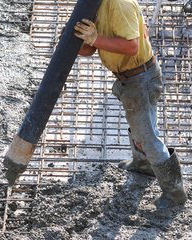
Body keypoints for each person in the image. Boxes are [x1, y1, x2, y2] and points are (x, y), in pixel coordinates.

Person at [74, 1, 186, 209]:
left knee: (147, 136)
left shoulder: (119, 4)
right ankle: (143, 165)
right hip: (130, 77)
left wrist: (96, 38)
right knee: (138, 125)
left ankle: (174, 193)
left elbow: (131, 46)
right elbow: (90, 48)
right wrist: (79, 40)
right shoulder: (96, 3)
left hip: (141, 77)